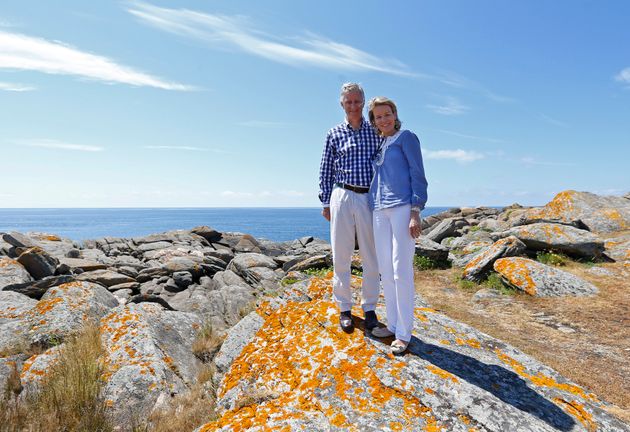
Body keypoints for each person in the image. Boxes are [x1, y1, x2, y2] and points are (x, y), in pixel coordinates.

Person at [318, 83, 381, 333]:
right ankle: (344, 308)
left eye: (357, 101)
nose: (353, 106)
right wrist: (325, 201)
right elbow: (325, 169)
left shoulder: (375, 131)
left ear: (363, 103)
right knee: (341, 254)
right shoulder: (333, 133)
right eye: (348, 102)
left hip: (368, 197)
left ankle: (370, 309)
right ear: (341, 104)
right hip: (342, 194)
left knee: (371, 255)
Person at [367, 96, 428, 354]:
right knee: (385, 269)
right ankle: (392, 325)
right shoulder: (380, 143)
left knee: (400, 271)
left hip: (403, 207)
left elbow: (418, 174)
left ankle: (404, 333)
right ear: (374, 121)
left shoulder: (406, 138)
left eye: (387, 114)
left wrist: (416, 210)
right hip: (379, 210)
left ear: (395, 114)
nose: (383, 119)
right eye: (378, 116)